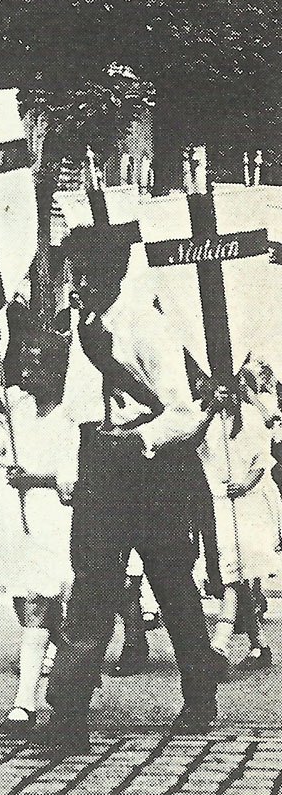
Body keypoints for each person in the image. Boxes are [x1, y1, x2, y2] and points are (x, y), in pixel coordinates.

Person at [28, 227, 219, 755]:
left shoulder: (146, 326)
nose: (81, 284)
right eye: (76, 274)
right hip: (100, 467)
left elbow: (184, 411)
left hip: (151, 470)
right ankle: (68, 714)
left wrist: (141, 441)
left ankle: (200, 699)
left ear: (115, 272)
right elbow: (74, 410)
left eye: (90, 274)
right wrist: (75, 468)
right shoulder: (82, 326)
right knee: (90, 589)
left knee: (172, 587)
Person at [0, 319, 78, 737]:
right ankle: (57, 669)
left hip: (55, 513)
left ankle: (25, 702)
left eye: (37, 367)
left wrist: (33, 479)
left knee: (43, 603)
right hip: (15, 514)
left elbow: (75, 476)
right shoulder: (17, 402)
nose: (27, 376)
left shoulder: (71, 413)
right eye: (24, 366)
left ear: (57, 370)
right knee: (26, 604)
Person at [197, 382, 281, 674]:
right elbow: (192, 444)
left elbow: (263, 461)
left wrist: (245, 484)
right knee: (235, 575)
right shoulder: (204, 419)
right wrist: (209, 413)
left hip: (246, 504)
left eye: (229, 392)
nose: (224, 397)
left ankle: (219, 646)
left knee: (235, 571)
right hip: (216, 506)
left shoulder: (251, 418)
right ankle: (259, 645)